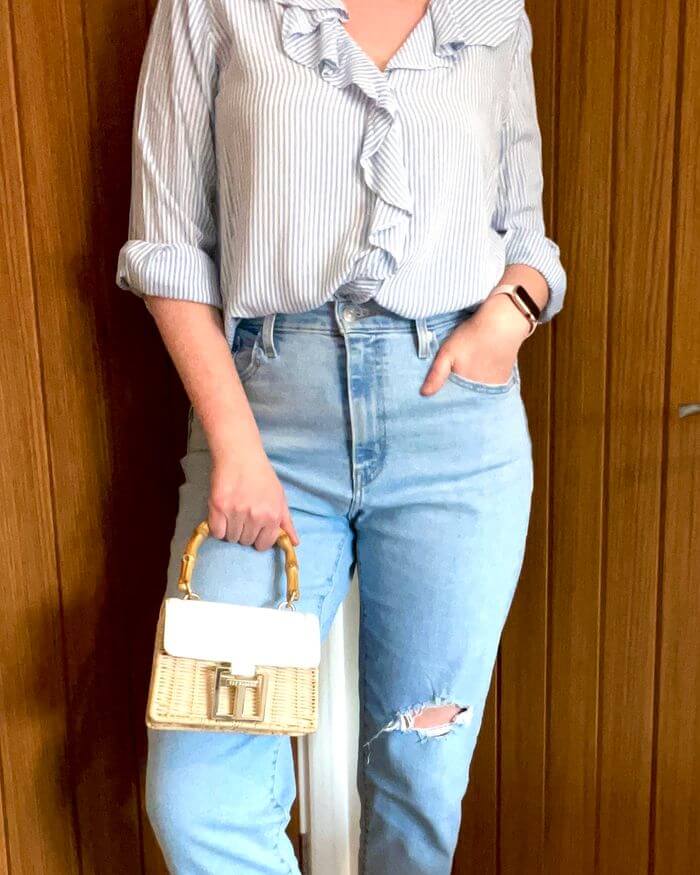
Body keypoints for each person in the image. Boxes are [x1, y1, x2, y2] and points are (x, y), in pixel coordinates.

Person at [116, 0, 567, 872]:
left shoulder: (489, 13)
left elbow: (527, 230)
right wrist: (235, 444)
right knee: (199, 794)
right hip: (266, 416)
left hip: (456, 425)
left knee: (419, 779)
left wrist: (506, 321)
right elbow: (167, 241)